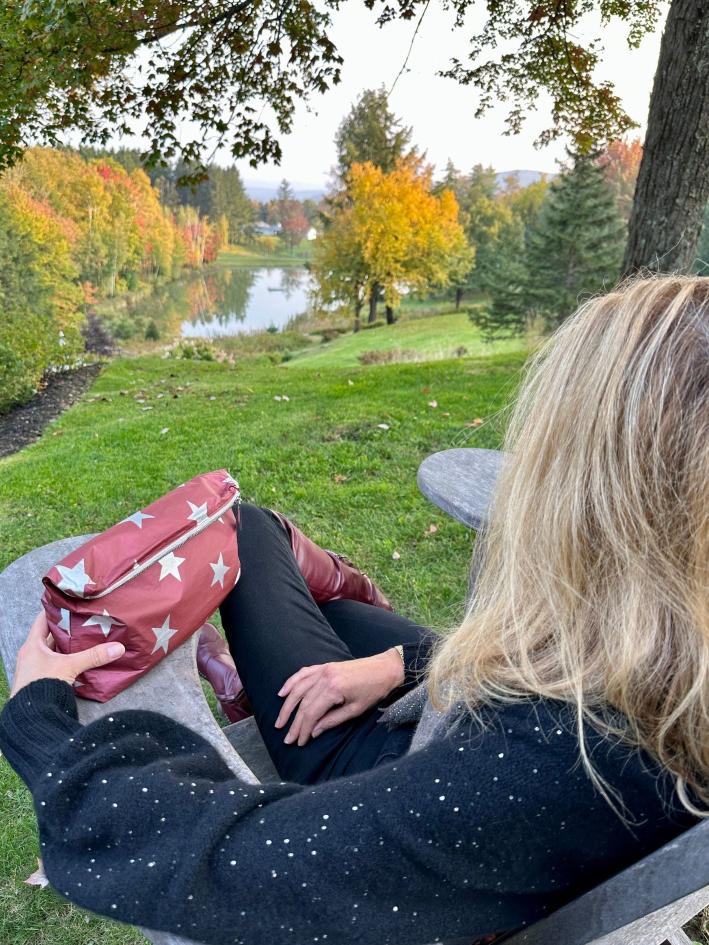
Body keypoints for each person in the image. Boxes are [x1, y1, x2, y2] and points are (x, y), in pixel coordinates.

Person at [1, 274, 707, 945]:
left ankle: (276, 620)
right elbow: (566, 659)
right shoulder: (664, 674)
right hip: (447, 707)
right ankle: (316, 607)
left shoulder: (561, 765)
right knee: (315, 597)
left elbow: (231, 865)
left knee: (245, 531)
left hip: (380, 761)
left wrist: (41, 717)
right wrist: (400, 664)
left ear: (588, 488)